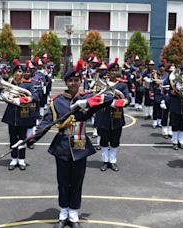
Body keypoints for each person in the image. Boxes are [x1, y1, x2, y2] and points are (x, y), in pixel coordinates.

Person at [19, 59, 114, 227]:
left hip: (80, 143)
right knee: (62, 181)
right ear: (66, 82)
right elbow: (45, 124)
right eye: (70, 80)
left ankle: (74, 213)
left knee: (77, 181)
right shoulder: (57, 101)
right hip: (62, 145)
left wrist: (87, 103)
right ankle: (63, 212)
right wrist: (28, 140)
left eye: (76, 80)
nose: (73, 83)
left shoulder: (87, 97)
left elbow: (110, 97)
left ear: (80, 81)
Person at [1, 59, 38, 171]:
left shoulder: (27, 85)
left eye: (20, 72)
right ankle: (14, 158)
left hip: (24, 114)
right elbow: (3, 94)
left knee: (22, 138)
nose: (18, 74)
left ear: (23, 74)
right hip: (12, 115)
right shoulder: (9, 85)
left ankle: (21, 159)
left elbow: (35, 97)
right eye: (16, 72)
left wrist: (21, 100)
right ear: (14, 74)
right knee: (12, 138)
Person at [95, 58, 131, 172]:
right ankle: (105, 161)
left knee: (115, 140)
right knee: (104, 141)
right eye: (112, 70)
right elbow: (96, 98)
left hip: (117, 115)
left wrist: (122, 102)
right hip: (103, 115)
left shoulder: (122, 86)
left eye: (116, 70)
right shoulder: (102, 84)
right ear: (108, 72)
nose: (114, 72)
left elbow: (127, 98)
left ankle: (113, 161)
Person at [168, 60, 183, 150]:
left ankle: (180, 141)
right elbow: (168, 91)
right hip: (176, 104)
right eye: (182, 70)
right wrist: (173, 92)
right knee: (175, 124)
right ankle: (174, 142)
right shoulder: (174, 80)